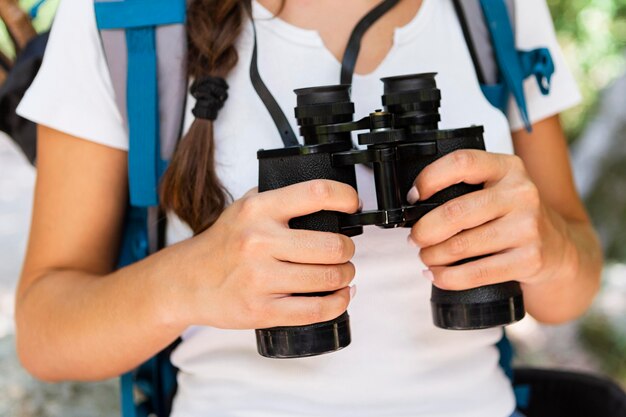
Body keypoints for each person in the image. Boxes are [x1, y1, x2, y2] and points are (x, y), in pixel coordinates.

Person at [14, 0, 603, 416]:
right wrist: (191, 278)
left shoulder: (495, 8)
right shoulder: (125, 17)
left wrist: (544, 245)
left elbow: (566, 292)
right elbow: (45, 332)